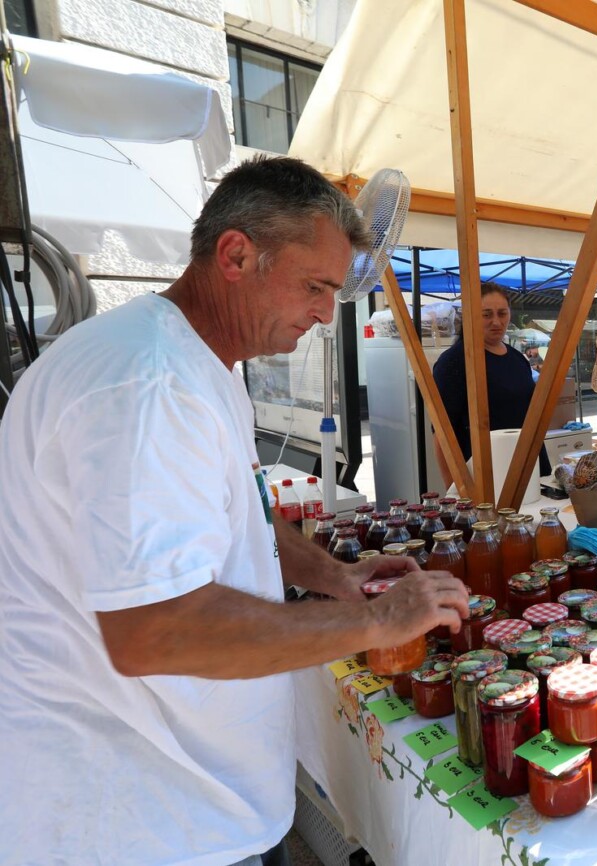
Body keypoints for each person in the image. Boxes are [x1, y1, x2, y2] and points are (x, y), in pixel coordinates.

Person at [0, 156, 471, 865]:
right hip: (139, 824)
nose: (323, 313)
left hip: (188, 799)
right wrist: (375, 619)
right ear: (236, 254)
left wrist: (337, 576)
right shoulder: (150, 387)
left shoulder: (196, 364)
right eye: (314, 286)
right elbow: (153, 632)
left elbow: (244, 516)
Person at [431, 282, 551, 483]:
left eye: (502, 313)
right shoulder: (454, 362)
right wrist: (457, 491)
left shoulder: (518, 360)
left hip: (531, 467)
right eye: (486, 314)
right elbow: (442, 434)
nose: (496, 322)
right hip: (486, 476)